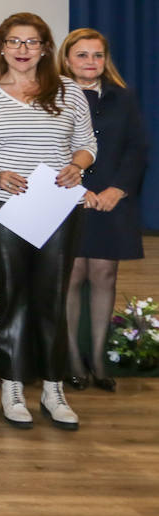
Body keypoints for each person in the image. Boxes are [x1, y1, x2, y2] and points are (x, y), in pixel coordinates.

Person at [0, 12, 96, 429]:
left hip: (56, 205)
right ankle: (13, 385)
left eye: (31, 42)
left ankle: (53, 389)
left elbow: (88, 143)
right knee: (13, 294)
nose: (22, 50)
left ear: (44, 49)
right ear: (1, 47)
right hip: (2, 205)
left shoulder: (69, 91)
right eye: (14, 42)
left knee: (51, 295)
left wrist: (78, 166)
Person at [59, 28, 149, 392]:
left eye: (97, 55)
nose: (91, 62)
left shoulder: (122, 98)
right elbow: (47, 147)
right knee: (72, 276)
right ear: (66, 59)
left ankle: (97, 358)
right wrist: (77, 189)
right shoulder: (53, 97)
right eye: (82, 55)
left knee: (105, 277)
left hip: (112, 201)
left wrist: (117, 189)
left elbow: (137, 149)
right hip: (67, 197)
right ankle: (72, 359)